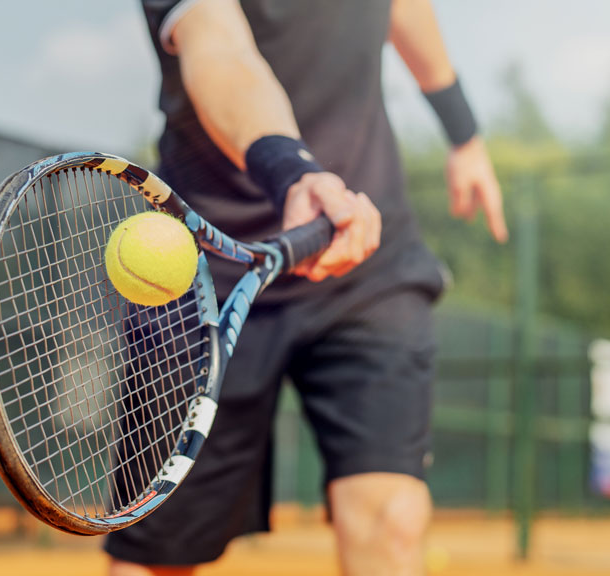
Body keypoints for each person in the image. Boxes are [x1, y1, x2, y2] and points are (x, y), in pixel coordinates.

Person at [104, 0, 506, 575]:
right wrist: (292, 170)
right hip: (205, 270)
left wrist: (462, 131)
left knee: (391, 521)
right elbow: (220, 46)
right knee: (158, 557)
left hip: (365, 255)